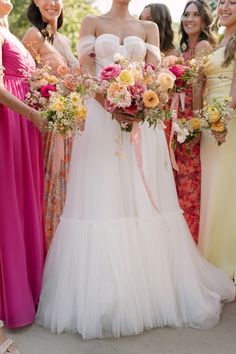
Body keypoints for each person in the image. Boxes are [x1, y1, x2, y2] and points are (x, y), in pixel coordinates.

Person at [36, 0, 235, 339]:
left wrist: (138, 104)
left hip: (142, 121)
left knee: (146, 198)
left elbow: (157, 77)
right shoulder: (89, 21)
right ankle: (104, 294)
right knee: (102, 195)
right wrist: (111, 104)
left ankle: (150, 290)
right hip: (101, 120)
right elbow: (85, 73)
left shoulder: (149, 28)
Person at [0, 0, 46, 352]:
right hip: (9, 125)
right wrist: (32, 113)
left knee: (23, 202)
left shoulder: (8, 30)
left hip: (22, 125)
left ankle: (29, 288)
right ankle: (10, 299)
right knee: (9, 206)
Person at [22, 0, 79, 247]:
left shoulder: (64, 39)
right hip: (47, 128)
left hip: (70, 129)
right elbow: (22, 82)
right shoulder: (33, 35)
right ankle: (48, 249)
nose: (52, 3)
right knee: (51, 190)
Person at [197, 0, 236, 280]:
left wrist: (223, 119)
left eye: (232, 2)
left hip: (226, 123)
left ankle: (225, 263)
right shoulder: (221, 39)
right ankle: (211, 259)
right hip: (211, 123)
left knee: (226, 189)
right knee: (213, 188)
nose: (224, 7)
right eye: (222, 2)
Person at [172, 0, 216, 243]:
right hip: (180, 119)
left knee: (191, 181)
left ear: (204, 20)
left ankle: (193, 241)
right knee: (181, 180)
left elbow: (199, 86)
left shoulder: (202, 46)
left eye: (195, 15)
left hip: (192, 118)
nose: (189, 19)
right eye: (186, 14)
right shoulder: (185, 50)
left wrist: (196, 124)